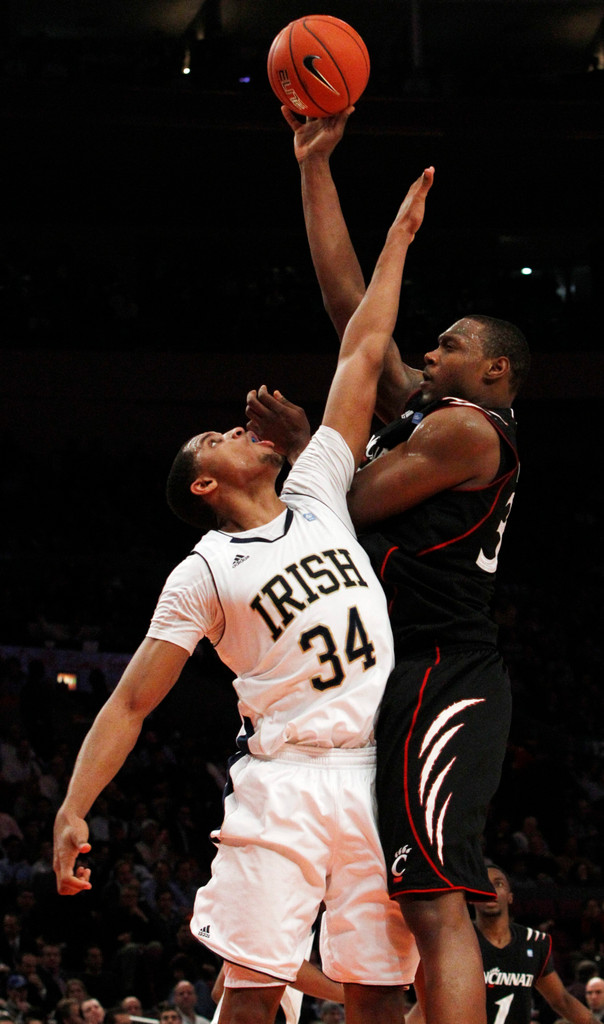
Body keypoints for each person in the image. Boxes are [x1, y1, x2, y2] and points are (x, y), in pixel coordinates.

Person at [53, 164, 436, 1024]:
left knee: (379, 988)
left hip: (380, 769)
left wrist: (397, 244)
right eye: (214, 437)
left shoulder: (319, 491)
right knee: (254, 990)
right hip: (285, 778)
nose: (235, 428)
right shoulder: (203, 571)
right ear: (202, 485)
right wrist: (74, 808)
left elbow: (363, 353)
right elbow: (128, 704)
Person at [245, 106, 531, 1024]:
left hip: (446, 672)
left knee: (438, 900)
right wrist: (314, 166)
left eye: (451, 342)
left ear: (495, 372)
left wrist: (309, 450)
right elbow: (352, 316)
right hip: (397, 670)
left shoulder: (466, 428)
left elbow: (354, 502)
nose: (432, 350)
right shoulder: (427, 412)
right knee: (399, 905)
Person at [407, 864, 601, 1024]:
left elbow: (562, 1001)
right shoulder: (456, 942)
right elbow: (428, 1004)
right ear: (472, 896)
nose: (491, 890)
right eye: (485, 884)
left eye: (498, 884)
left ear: (510, 896)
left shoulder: (533, 942)